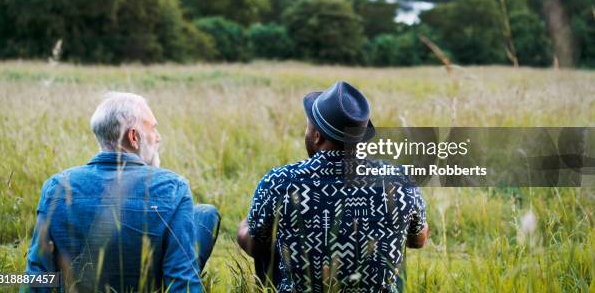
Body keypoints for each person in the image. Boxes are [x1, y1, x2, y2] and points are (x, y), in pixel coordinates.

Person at [237, 81, 428, 292]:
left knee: (268, 239)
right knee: (392, 246)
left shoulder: (280, 181)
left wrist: (246, 224)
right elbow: (418, 240)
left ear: (317, 136)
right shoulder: (400, 181)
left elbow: (254, 245)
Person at [25, 92, 220, 292]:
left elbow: (37, 274)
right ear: (133, 137)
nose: (158, 137)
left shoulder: (57, 186)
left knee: (203, 214)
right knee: (205, 215)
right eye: (153, 128)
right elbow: (182, 280)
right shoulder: (174, 187)